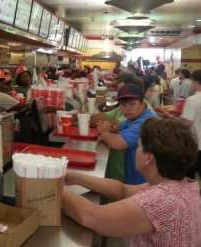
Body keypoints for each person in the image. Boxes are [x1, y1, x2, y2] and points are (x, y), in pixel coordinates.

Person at [63, 118, 201, 246]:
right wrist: (76, 177)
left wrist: (53, 185)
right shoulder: (180, 185)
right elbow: (123, 191)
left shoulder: (163, 200)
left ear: (148, 158)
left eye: (139, 146)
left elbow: (92, 217)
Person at [97, 84, 156, 184]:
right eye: (123, 105)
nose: (127, 109)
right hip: (136, 175)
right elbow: (118, 127)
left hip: (144, 181)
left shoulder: (145, 122)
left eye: (132, 104)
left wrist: (103, 132)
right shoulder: (134, 118)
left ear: (142, 103)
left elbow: (118, 143)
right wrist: (110, 127)